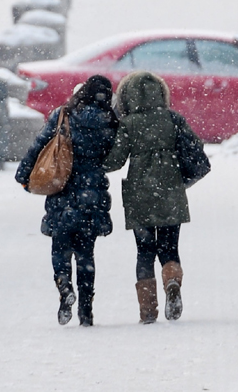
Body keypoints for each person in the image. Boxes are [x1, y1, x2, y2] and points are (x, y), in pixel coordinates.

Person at [16, 75, 118, 327]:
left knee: (60, 247)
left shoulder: (64, 115)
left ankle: (64, 287)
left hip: (62, 190)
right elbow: (114, 156)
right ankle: (86, 310)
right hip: (92, 195)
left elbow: (40, 145)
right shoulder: (110, 121)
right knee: (86, 254)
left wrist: (24, 174)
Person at [104, 71, 204, 324]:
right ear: (161, 94)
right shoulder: (173, 119)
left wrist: (92, 162)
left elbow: (115, 161)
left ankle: (148, 310)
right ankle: (171, 279)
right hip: (170, 190)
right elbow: (195, 148)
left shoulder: (128, 124)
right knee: (170, 246)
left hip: (140, 193)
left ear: (128, 97)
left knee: (144, 251)